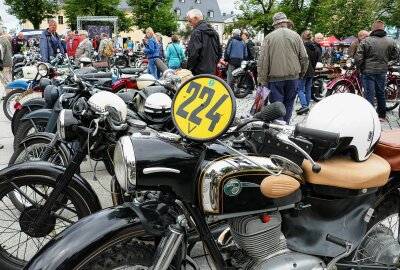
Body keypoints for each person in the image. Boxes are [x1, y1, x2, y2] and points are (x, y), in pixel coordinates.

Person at [257, 12, 309, 123]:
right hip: (293, 78)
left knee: (276, 108)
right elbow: (304, 57)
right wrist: (301, 74)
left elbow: (262, 61)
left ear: (275, 25)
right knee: (289, 105)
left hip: (275, 80)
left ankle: (278, 130)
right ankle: (286, 127)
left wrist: (262, 81)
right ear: (286, 23)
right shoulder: (296, 36)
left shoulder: (269, 37)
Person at [355, 20, 399, 122]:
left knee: (369, 94)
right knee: (381, 93)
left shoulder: (365, 41)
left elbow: (358, 58)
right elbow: (396, 57)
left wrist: (360, 68)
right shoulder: (391, 41)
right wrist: (387, 64)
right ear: (383, 29)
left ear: (372, 29)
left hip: (367, 71)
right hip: (382, 71)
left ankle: (371, 117)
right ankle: (382, 115)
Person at [186, 9, 222, 75]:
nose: (190, 24)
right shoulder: (214, 32)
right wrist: (213, 65)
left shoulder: (196, 32)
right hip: (212, 71)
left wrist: (190, 68)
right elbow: (219, 52)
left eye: (190, 21)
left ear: (196, 18)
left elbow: (193, 54)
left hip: (198, 73)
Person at [296, 30, 322, 115]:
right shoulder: (316, 47)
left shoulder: (303, 47)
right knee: (308, 89)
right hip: (312, 71)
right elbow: (318, 60)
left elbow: (301, 59)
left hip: (304, 70)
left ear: (302, 37)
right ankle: (306, 105)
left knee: (299, 89)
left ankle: (304, 106)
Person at [0, 31, 12, 149]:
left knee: (6, 82)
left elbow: (1, 54)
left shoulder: (2, 41)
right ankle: (10, 95)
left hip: (4, 64)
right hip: (8, 63)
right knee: (8, 81)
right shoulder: (6, 40)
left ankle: (9, 96)